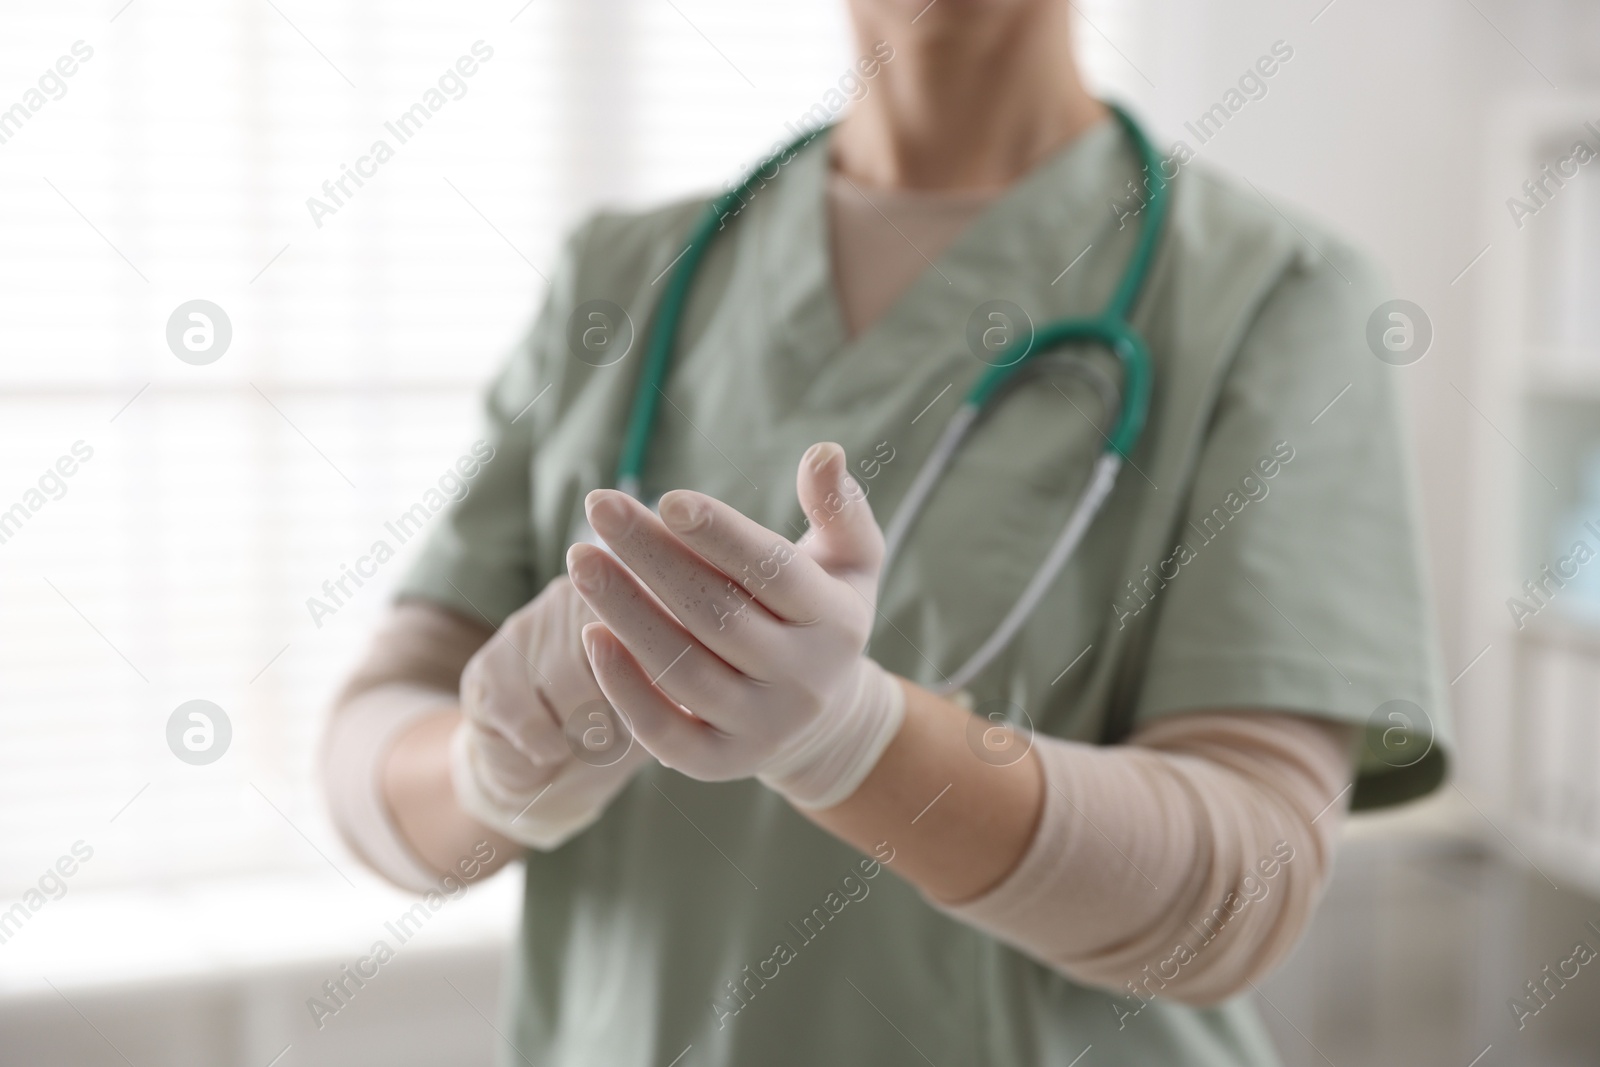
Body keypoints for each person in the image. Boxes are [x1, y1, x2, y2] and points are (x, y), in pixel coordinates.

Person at [320, 1, 1448, 1063]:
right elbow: (369, 751)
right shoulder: (618, 280)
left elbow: (1245, 894)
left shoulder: (1274, 293)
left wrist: (851, 740)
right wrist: (493, 766)